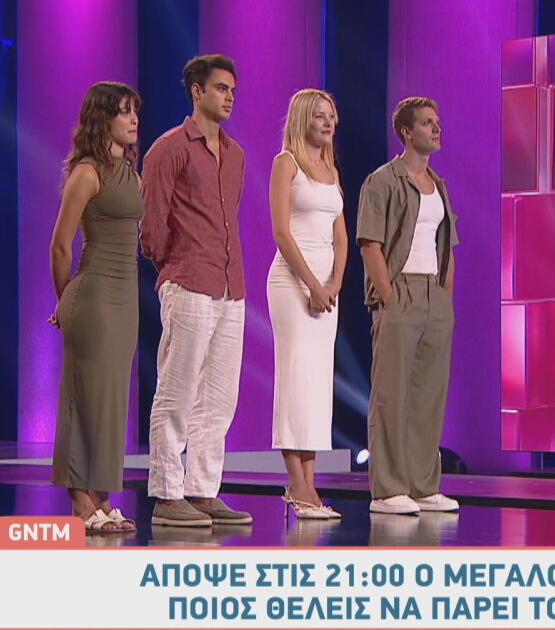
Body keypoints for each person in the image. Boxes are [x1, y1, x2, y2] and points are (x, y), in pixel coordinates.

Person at [139, 54, 252, 527]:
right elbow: (152, 224)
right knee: (177, 390)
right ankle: (167, 495)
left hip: (230, 284)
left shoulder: (236, 154)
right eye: (221, 88)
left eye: (232, 90)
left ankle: (202, 491)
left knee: (219, 398)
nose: (229, 97)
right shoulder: (169, 149)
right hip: (188, 280)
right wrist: (174, 264)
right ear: (197, 91)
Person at [356, 97, 460, 515]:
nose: (436, 129)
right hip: (400, 291)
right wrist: (389, 295)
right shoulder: (383, 180)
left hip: (434, 295)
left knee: (428, 395)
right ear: (406, 132)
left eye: (437, 122)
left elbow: (447, 244)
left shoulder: (439, 184)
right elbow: (370, 243)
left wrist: (445, 297)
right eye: (427, 123)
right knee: (392, 395)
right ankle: (388, 489)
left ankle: (422, 485)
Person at [48, 81, 143, 533]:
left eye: (134, 111)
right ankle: (81, 504)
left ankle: (103, 498)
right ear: (103, 118)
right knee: (84, 397)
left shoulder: (131, 175)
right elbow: (60, 245)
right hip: (94, 296)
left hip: (125, 300)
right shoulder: (87, 173)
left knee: (111, 399)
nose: (133, 119)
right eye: (124, 112)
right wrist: (64, 298)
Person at [266, 89, 348, 520]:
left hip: (325, 288)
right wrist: (312, 284)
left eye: (331, 115)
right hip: (291, 284)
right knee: (295, 378)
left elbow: (341, 237)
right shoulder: (286, 164)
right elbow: (281, 232)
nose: (328, 122)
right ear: (302, 119)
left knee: (316, 384)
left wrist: (333, 283)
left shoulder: (331, 170)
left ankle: (310, 486)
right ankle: (297, 486)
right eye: (319, 116)